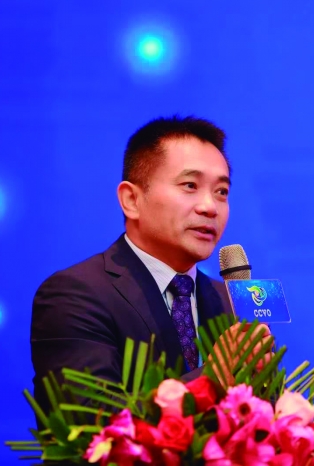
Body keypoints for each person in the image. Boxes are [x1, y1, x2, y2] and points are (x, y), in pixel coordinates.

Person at [30, 115, 272, 417]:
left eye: (221, 192)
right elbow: (89, 423)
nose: (210, 207)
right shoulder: (74, 295)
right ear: (131, 199)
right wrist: (211, 379)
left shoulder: (231, 302)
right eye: (190, 185)